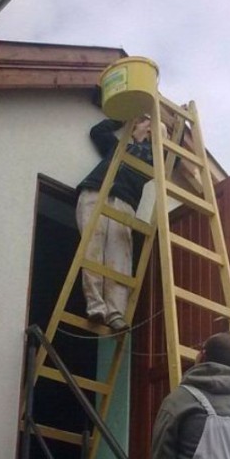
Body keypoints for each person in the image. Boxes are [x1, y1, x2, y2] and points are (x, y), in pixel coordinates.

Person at [75, 115, 154, 332]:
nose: (147, 128)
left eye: (150, 128)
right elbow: (97, 131)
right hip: (95, 191)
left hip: (124, 202)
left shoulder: (153, 156)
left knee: (119, 255)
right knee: (92, 249)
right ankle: (96, 306)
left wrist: (172, 131)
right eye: (144, 124)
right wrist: (125, 117)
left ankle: (115, 313)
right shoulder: (118, 147)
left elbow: (174, 160)